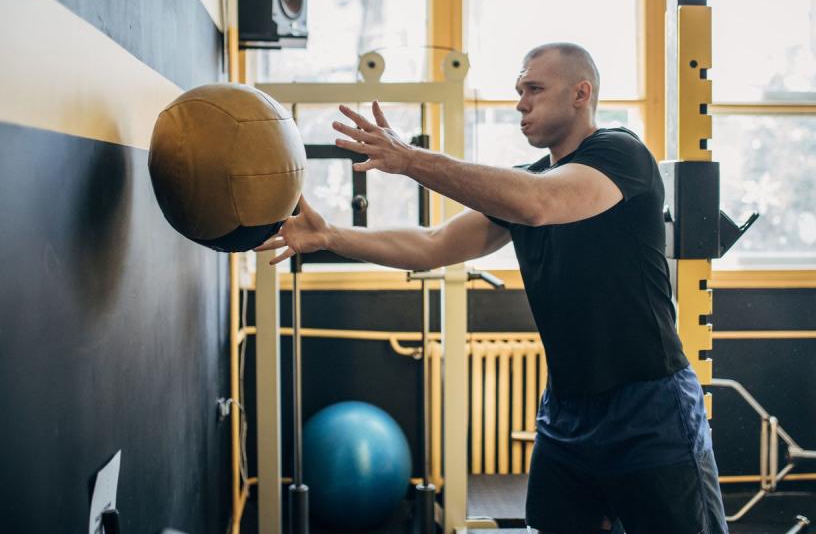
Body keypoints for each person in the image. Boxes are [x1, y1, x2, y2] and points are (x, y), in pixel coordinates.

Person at [255, 42, 728, 534]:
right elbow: (432, 244)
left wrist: (409, 159)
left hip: (649, 408)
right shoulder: (527, 183)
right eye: (519, 90)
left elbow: (539, 204)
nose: (521, 102)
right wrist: (331, 236)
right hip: (567, 414)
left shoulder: (620, 153)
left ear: (581, 94)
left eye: (534, 89)